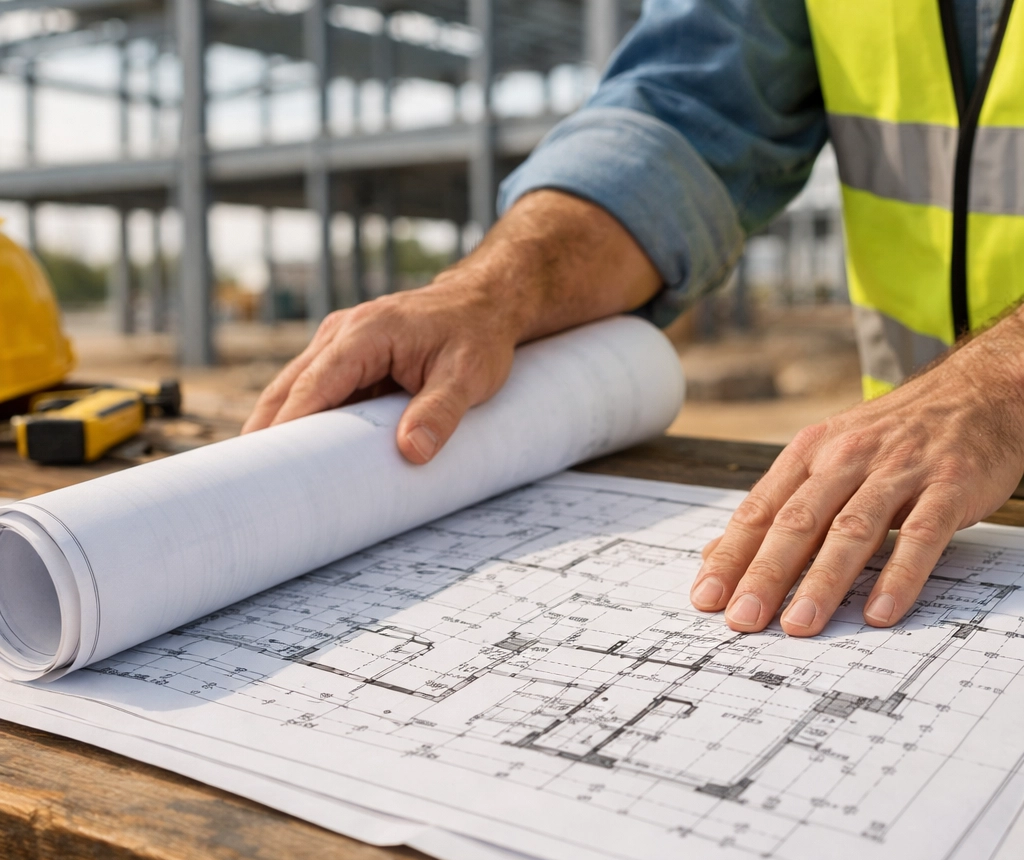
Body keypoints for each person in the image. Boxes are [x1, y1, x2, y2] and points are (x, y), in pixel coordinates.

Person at [244, 0, 1024, 640]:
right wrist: (495, 289)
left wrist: (1000, 387)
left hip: (956, 455)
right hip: (920, 512)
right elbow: (689, 110)